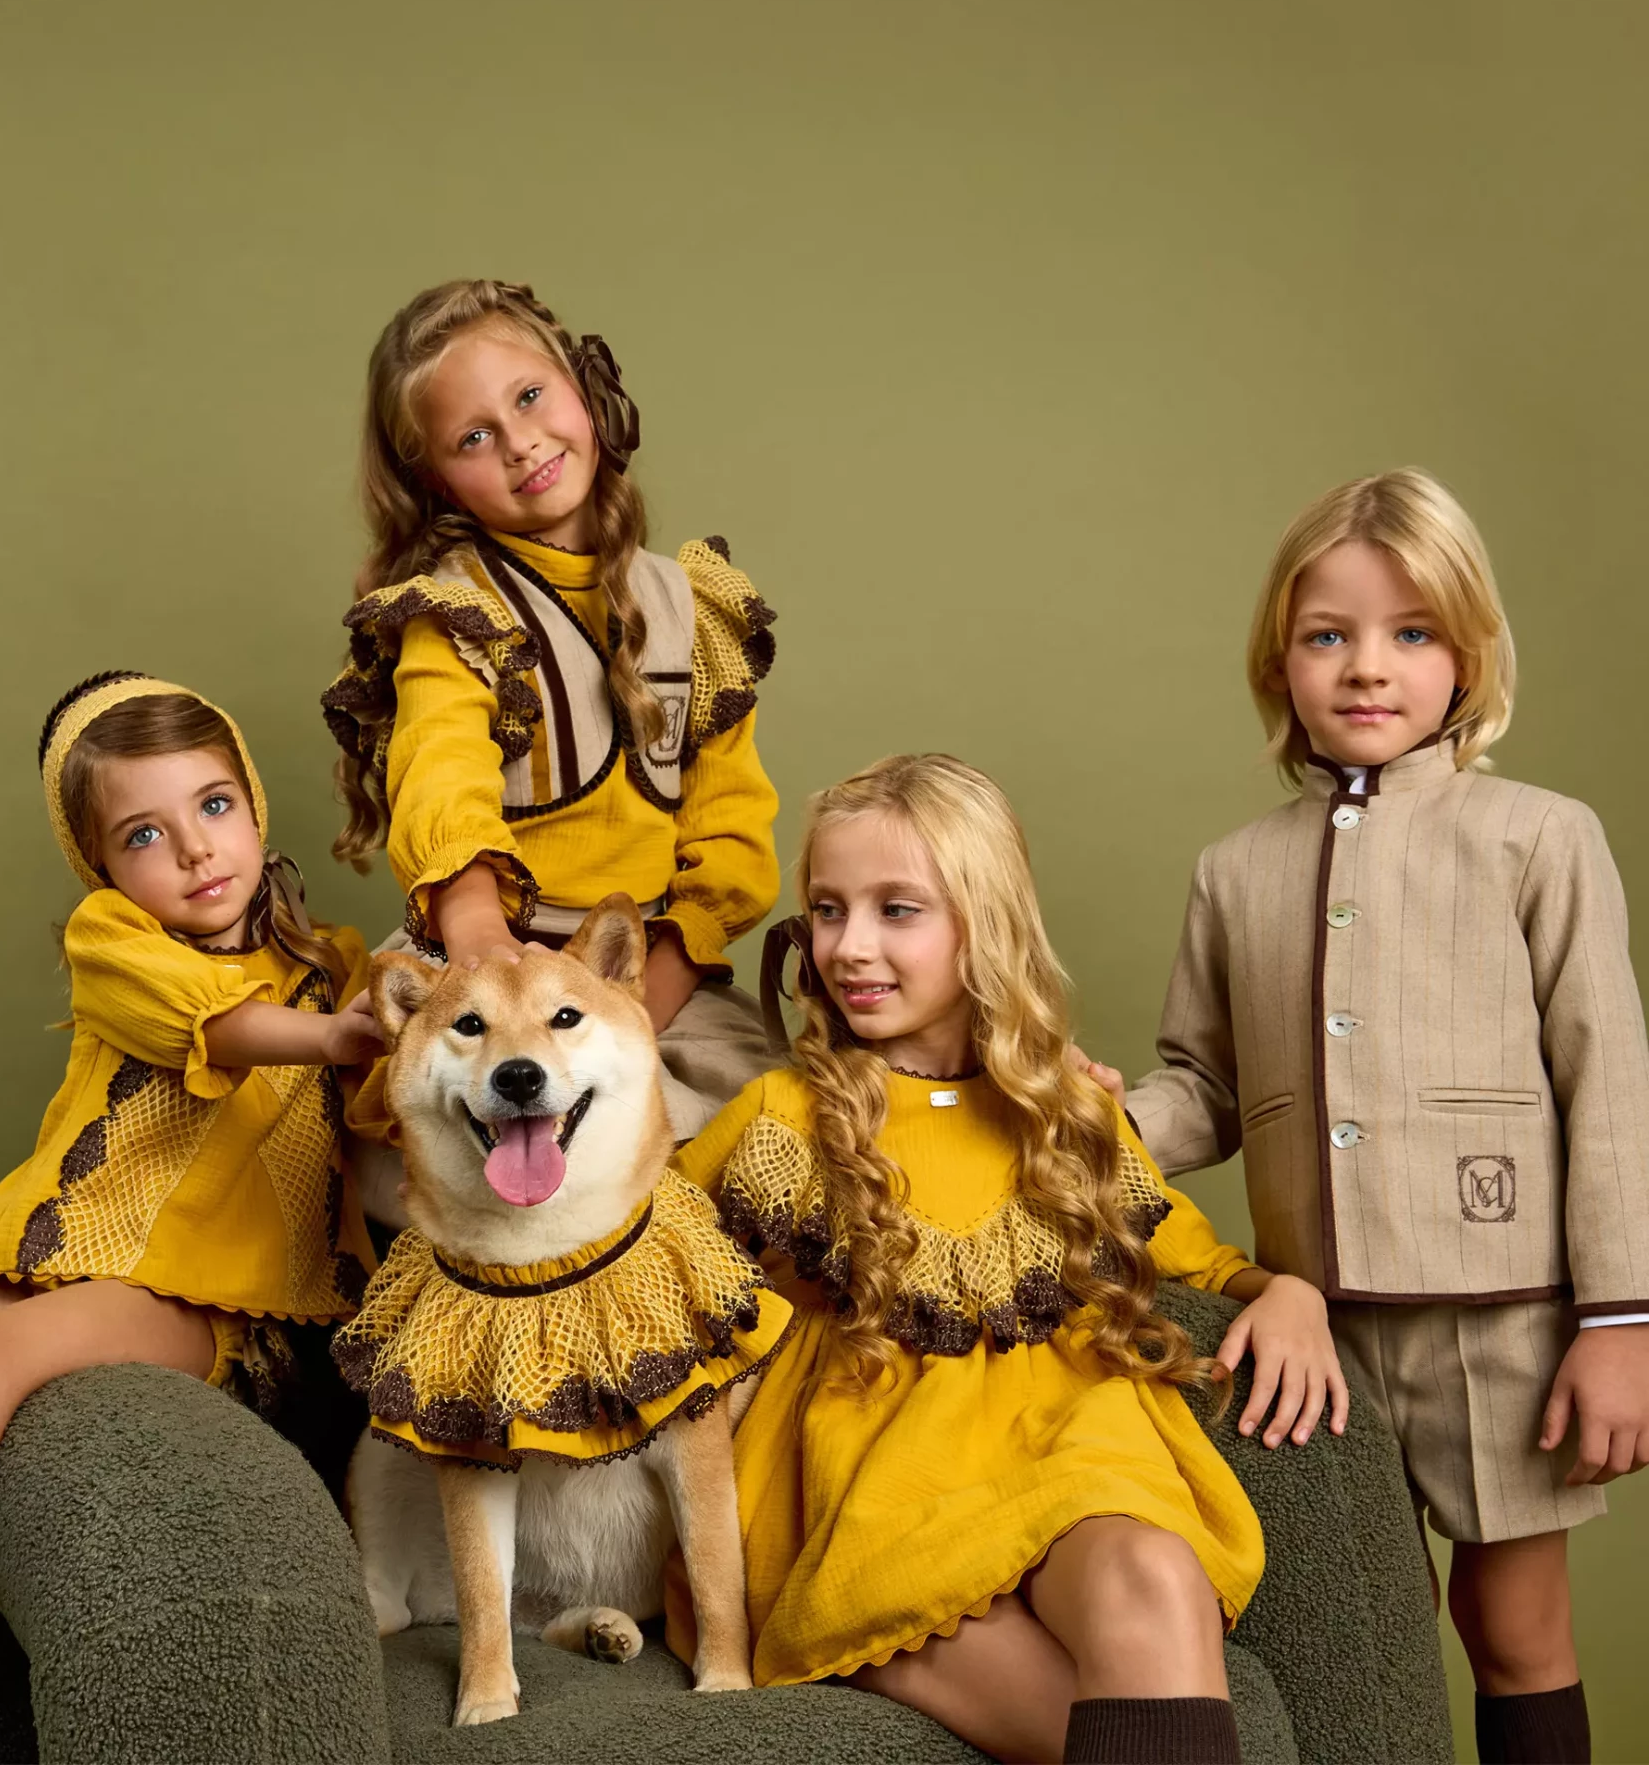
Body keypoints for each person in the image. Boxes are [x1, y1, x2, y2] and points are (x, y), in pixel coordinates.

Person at [1112, 469, 1649, 1765]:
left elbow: (1607, 1079)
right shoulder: (1234, 870)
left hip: (1505, 1320)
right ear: (1278, 661)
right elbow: (1203, 1086)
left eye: (1410, 632)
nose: (1366, 665)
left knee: (1512, 1626)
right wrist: (1091, 1123)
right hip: (1318, 1331)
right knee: (1364, 1639)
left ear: (1467, 655)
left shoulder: (1538, 839)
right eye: (1326, 635)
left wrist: (1619, 1319)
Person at [669, 753, 1345, 1764]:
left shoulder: (1066, 1116)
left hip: (1065, 1457)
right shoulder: (782, 1117)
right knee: (1117, 1733)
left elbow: (1198, 1259)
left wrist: (1288, 1292)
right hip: (875, 1506)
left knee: (1156, 1575)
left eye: (898, 910)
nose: (850, 946)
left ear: (983, 925)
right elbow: (637, 1263)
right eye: (827, 910)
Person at [0, 671, 381, 1690]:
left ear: (252, 803)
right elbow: (214, 1022)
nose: (196, 849)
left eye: (214, 805)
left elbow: (385, 1115)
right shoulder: (112, 941)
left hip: (232, 1302)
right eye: (144, 834)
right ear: (99, 864)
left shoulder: (337, 968)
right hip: (75, 1255)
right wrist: (334, 1037)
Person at [323, 278, 780, 1162]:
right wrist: (480, 942)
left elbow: (730, 834)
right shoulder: (453, 613)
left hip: (642, 971)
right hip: (490, 968)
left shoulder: (690, 606)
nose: (521, 441)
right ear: (436, 479)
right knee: (413, 1144)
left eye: (530, 396)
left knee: (755, 1137)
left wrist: (637, 1001)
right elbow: (439, 774)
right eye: (474, 437)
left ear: (583, 385)